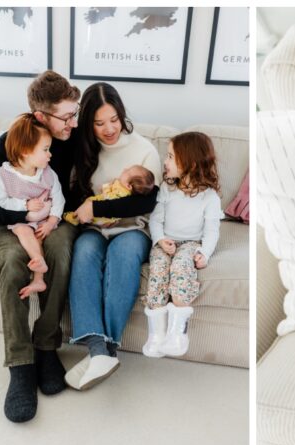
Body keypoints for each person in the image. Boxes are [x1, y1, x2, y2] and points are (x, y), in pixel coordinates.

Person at [0, 70, 81, 423]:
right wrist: (23, 214)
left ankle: (46, 346)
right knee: (15, 261)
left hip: (54, 220)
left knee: (61, 252)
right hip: (12, 223)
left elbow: (76, 192)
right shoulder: (9, 143)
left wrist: (52, 217)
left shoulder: (74, 141)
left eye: (75, 113)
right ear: (40, 116)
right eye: (66, 116)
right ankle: (20, 364)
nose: (73, 123)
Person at [63, 82, 162, 391]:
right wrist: (90, 211)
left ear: (122, 115)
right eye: (99, 122)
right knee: (84, 252)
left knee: (123, 254)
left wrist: (98, 205)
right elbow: (76, 196)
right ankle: (96, 349)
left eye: (114, 120)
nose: (109, 129)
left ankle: (107, 349)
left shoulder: (144, 150)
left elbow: (145, 201)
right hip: (96, 228)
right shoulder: (83, 148)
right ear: (88, 122)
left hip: (134, 227)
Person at [143, 132, 223, 358]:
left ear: (190, 163)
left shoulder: (209, 197)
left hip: (190, 243)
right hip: (165, 240)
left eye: (170, 157)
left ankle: (178, 334)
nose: (165, 162)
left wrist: (204, 253)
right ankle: (156, 335)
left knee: (180, 270)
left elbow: (211, 231)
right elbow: (155, 219)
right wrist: (159, 239)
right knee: (157, 272)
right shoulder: (167, 189)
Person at [0, 113, 66, 300]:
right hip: (21, 219)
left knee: (40, 237)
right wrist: (24, 205)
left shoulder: (48, 174)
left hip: (44, 218)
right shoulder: (4, 175)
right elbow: (1, 202)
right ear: (26, 151)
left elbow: (59, 199)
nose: (50, 154)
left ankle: (39, 279)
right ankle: (39, 263)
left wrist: (51, 222)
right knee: (24, 232)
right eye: (45, 149)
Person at [63, 164, 155, 226]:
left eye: (127, 172)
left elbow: (109, 197)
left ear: (128, 186)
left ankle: (74, 218)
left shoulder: (121, 192)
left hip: (104, 216)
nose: (124, 169)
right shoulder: (121, 186)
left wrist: (95, 206)